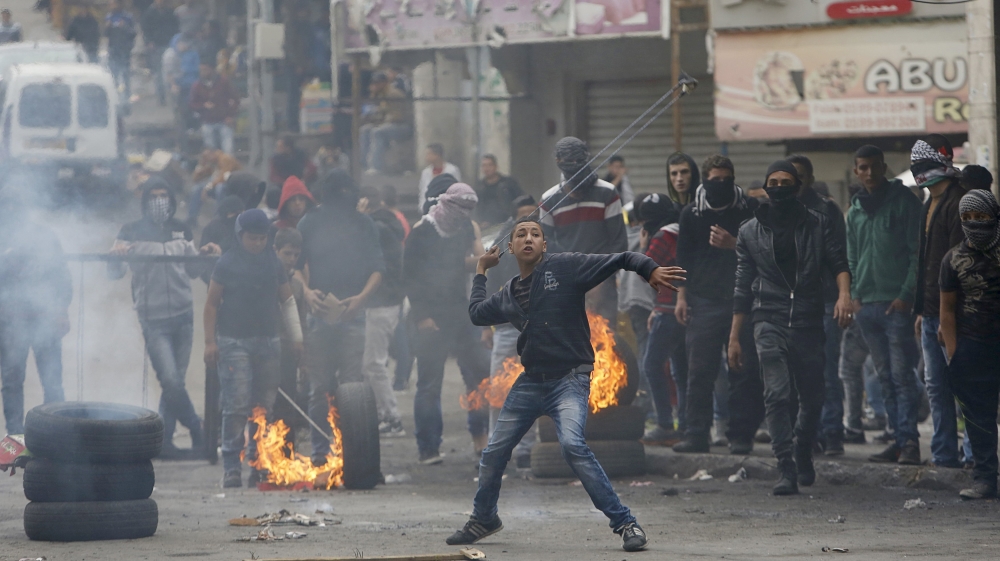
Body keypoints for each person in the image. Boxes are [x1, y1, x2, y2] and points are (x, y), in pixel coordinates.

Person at [448, 216, 685, 551]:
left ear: (544, 245)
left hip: (569, 380)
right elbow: (475, 313)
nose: (528, 238)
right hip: (530, 382)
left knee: (573, 446)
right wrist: (482, 270)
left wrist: (649, 269)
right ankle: (484, 517)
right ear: (511, 248)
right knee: (493, 453)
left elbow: (620, 258)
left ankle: (626, 523)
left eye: (535, 234)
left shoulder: (566, 267)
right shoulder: (509, 293)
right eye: (521, 235)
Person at [730, 160, 852, 496]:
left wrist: (844, 296)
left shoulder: (818, 223)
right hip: (768, 316)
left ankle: (802, 449)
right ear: (767, 188)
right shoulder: (749, 231)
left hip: (809, 317)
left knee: (813, 396)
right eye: (774, 181)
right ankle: (785, 466)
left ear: (797, 186)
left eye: (787, 181)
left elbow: (838, 262)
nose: (780, 186)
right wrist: (734, 338)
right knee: (777, 394)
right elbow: (742, 286)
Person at [108, 178, 215, 458]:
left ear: (171, 199)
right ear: (145, 202)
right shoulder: (130, 231)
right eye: (153, 196)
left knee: (174, 381)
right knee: (171, 379)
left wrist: (205, 255)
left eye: (164, 195)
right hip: (152, 319)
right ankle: (197, 427)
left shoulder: (181, 229)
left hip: (183, 316)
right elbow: (114, 272)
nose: (159, 201)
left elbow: (192, 270)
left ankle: (164, 441)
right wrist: (115, 257)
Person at [673, 155, 765, 455]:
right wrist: (681, 297)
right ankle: (696, 434)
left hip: (743, 300)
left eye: (728, 179)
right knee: (699, 371)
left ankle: (740, 435)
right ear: (705, 181)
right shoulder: (692, 214)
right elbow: (683, 258)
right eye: (716, 180)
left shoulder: (748, 209)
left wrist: (733, 243)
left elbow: (763, 250)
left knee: (743, 371)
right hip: (705, 301)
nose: (722, 185)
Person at [204, 209, 302, 488]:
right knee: (236, 406)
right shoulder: (226, 263)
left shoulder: (274, 264)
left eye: (261, 239)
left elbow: (288, 301)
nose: (257, 244)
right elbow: (211, 304)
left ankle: (258, 463)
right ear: (240, 236)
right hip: (234, 342)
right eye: (252, 238)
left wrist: (297, 338)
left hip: (269, 342)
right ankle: (231, 467)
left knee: (264, 407)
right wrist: (210, 342)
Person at [297, 170, 386, 466]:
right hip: (319, 313)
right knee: (318, 387)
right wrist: (307, 292)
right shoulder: (310, 222)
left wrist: (360, 299)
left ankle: (350, 452)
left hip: (353, 314)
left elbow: (378, 268)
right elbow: (294, 265)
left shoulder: (364, 224)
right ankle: (321, 454)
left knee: (351, 389)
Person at [846, 145, 923, 465]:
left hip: (896, 306)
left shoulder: (905, 203)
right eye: (863, 167)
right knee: (884, 377)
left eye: (875, 166)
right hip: (867, 307)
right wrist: (854, 296)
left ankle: (910, 444)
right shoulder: (854, 212)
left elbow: (917, 253)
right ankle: (897, 438)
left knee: (903, 376)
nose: (869, 173)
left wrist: (906, 295)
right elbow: (851, 258)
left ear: (884, 167)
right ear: (856, 171)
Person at [405, 183, 490, 464]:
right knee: (430, 383)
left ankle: (482, 440)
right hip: (430, 316)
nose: (464, 214)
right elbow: (410, 277)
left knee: (477, 376)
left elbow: (473, 261)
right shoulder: (422, 231)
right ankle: (428, 447)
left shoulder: (465, 228)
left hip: (460, 313)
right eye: (461, 208)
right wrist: (422, 316)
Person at [939, 189, 1000, 500]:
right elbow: (946, 311)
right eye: (967, 218)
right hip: (973, 347)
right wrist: (954, 353)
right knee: (979, 419)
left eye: (981, 216)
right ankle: (986, 479)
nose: (975, 223)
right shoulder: (953, 259)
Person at [786, 154, 849, 455]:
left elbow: (839, 258)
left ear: (810, 178)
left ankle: (833, 434)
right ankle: (809, 436)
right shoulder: (776, 211)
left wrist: (843, 296)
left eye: (799, 175)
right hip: (790, 303)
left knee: (826, 371)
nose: (794, 181)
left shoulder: (826, 210)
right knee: (797, 373)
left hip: (823, 301)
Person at [909, 139, 965, 469]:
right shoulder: (929, 203)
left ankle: (973, 454)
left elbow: (957, 263)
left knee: (962, 384)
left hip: (952, 314)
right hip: (930, 312)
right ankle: (944, 454)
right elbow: (924, 262)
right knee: (935, 386)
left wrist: (948, 318)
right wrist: (921, 311)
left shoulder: (957, 202)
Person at [0, 191, 71, 435]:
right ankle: (15, 440)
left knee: (52, 383)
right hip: (10, 322)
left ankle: (56, 437)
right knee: (11, 383)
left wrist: (62, 309)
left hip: (45, 318)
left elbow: (62, 275)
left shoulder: (44, 236)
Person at [539, 137, 628, 323]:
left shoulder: (608, 193)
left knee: (605, 343)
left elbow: (619, 243)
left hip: (603, 285)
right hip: (565, 286)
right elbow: (545, 250)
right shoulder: (549, 199)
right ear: (558, 163)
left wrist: (601, 282)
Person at [483, 194, 539, 468]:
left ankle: (527, 450)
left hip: (539, 332)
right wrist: (487, 328)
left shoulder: (546, 243)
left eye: (533, 215)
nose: (529, 222)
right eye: (523, 217)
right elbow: (490, 287)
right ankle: (497, 449)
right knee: (499, 392)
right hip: (505, 330)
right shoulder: (500, 248)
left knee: (531, 391)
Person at [637, 193, 685, 444]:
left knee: (652, 365)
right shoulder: (683, 229)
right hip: (685, 309)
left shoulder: (663, 235)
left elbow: (648, 271)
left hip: (668, 310)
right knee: (681, 369)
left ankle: (665, 425)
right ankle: (685, 425)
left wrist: (644, 247)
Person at [358, 188, 406, 437]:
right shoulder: (386, 224)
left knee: (373, 364)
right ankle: (380, 414)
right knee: (372, 363)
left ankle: (391, 417)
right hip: (387, 302)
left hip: (381, 303)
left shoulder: (374, 228)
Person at [272, 228, 309, 446]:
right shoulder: (265, 279)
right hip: (266, 349)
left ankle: (287, 454)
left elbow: (302, 321)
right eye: (287, 253)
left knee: (288, 404)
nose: (291, 259)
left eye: (296, 255)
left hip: (288, 351)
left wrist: (304, 359)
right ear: (275, 250)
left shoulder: (296, 285)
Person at [359, 72, 411, 174]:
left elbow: (398, 116)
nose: (375, 85)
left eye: (378, 83)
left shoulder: (393, 94)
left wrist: (380, 121)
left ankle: (376, 167)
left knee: (377, 132)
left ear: (385, 83)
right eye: (374, 83)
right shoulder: (380, 94)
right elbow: (377, 113)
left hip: (402, 126)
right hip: (388, 124)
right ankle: (364, 164)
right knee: (364, 130)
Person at [190, 62, 240, 155]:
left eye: (205, 70)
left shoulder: (223, 82)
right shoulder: (197, 86)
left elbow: (235, 99)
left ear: (211, 69)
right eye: (200, 70)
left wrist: (231, 116)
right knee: (211, 152)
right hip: (207, 121)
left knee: (228, 150)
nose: (202, 72)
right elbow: (193, 104)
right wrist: (203, 105)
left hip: (224, 120)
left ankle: (228, 169)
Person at [142, 0, 179, 106]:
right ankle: (161, 96)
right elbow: (145, 29)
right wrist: (149, 42)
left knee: (170, 70)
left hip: (168, 44)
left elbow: (175, 28)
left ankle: (173, 95)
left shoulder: (170, 12)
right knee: (158, 72)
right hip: (156, 45)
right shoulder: (149, 13)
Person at [473, 154, 524, 228]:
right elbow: (475, 208)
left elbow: (521, 201)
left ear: (496, 166)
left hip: (508, 224)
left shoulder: (508, 183)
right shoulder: (479, 187)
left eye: (490, 165)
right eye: (484, 165)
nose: (487, 168)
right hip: (487, 227)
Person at [105, 0, 138, 100]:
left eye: (114, 3)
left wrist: (124, 26)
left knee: (125, 74)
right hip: (113, 51)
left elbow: (133, 33)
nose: (112, 6)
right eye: (111, 4)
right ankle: (114, 96)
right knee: (113, 74)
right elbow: (105, 34)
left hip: (124, 51)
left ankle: (127, 96)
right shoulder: (108, 17)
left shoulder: (128, 17)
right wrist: (107, 27)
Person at [417, 144, 461, 210]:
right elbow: (423, 191)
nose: (426, 157)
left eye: (429, 154)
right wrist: (423, 207)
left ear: (437, 155)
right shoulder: (426, 172)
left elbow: (457, 190)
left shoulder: (452, 170)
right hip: (430, 208)